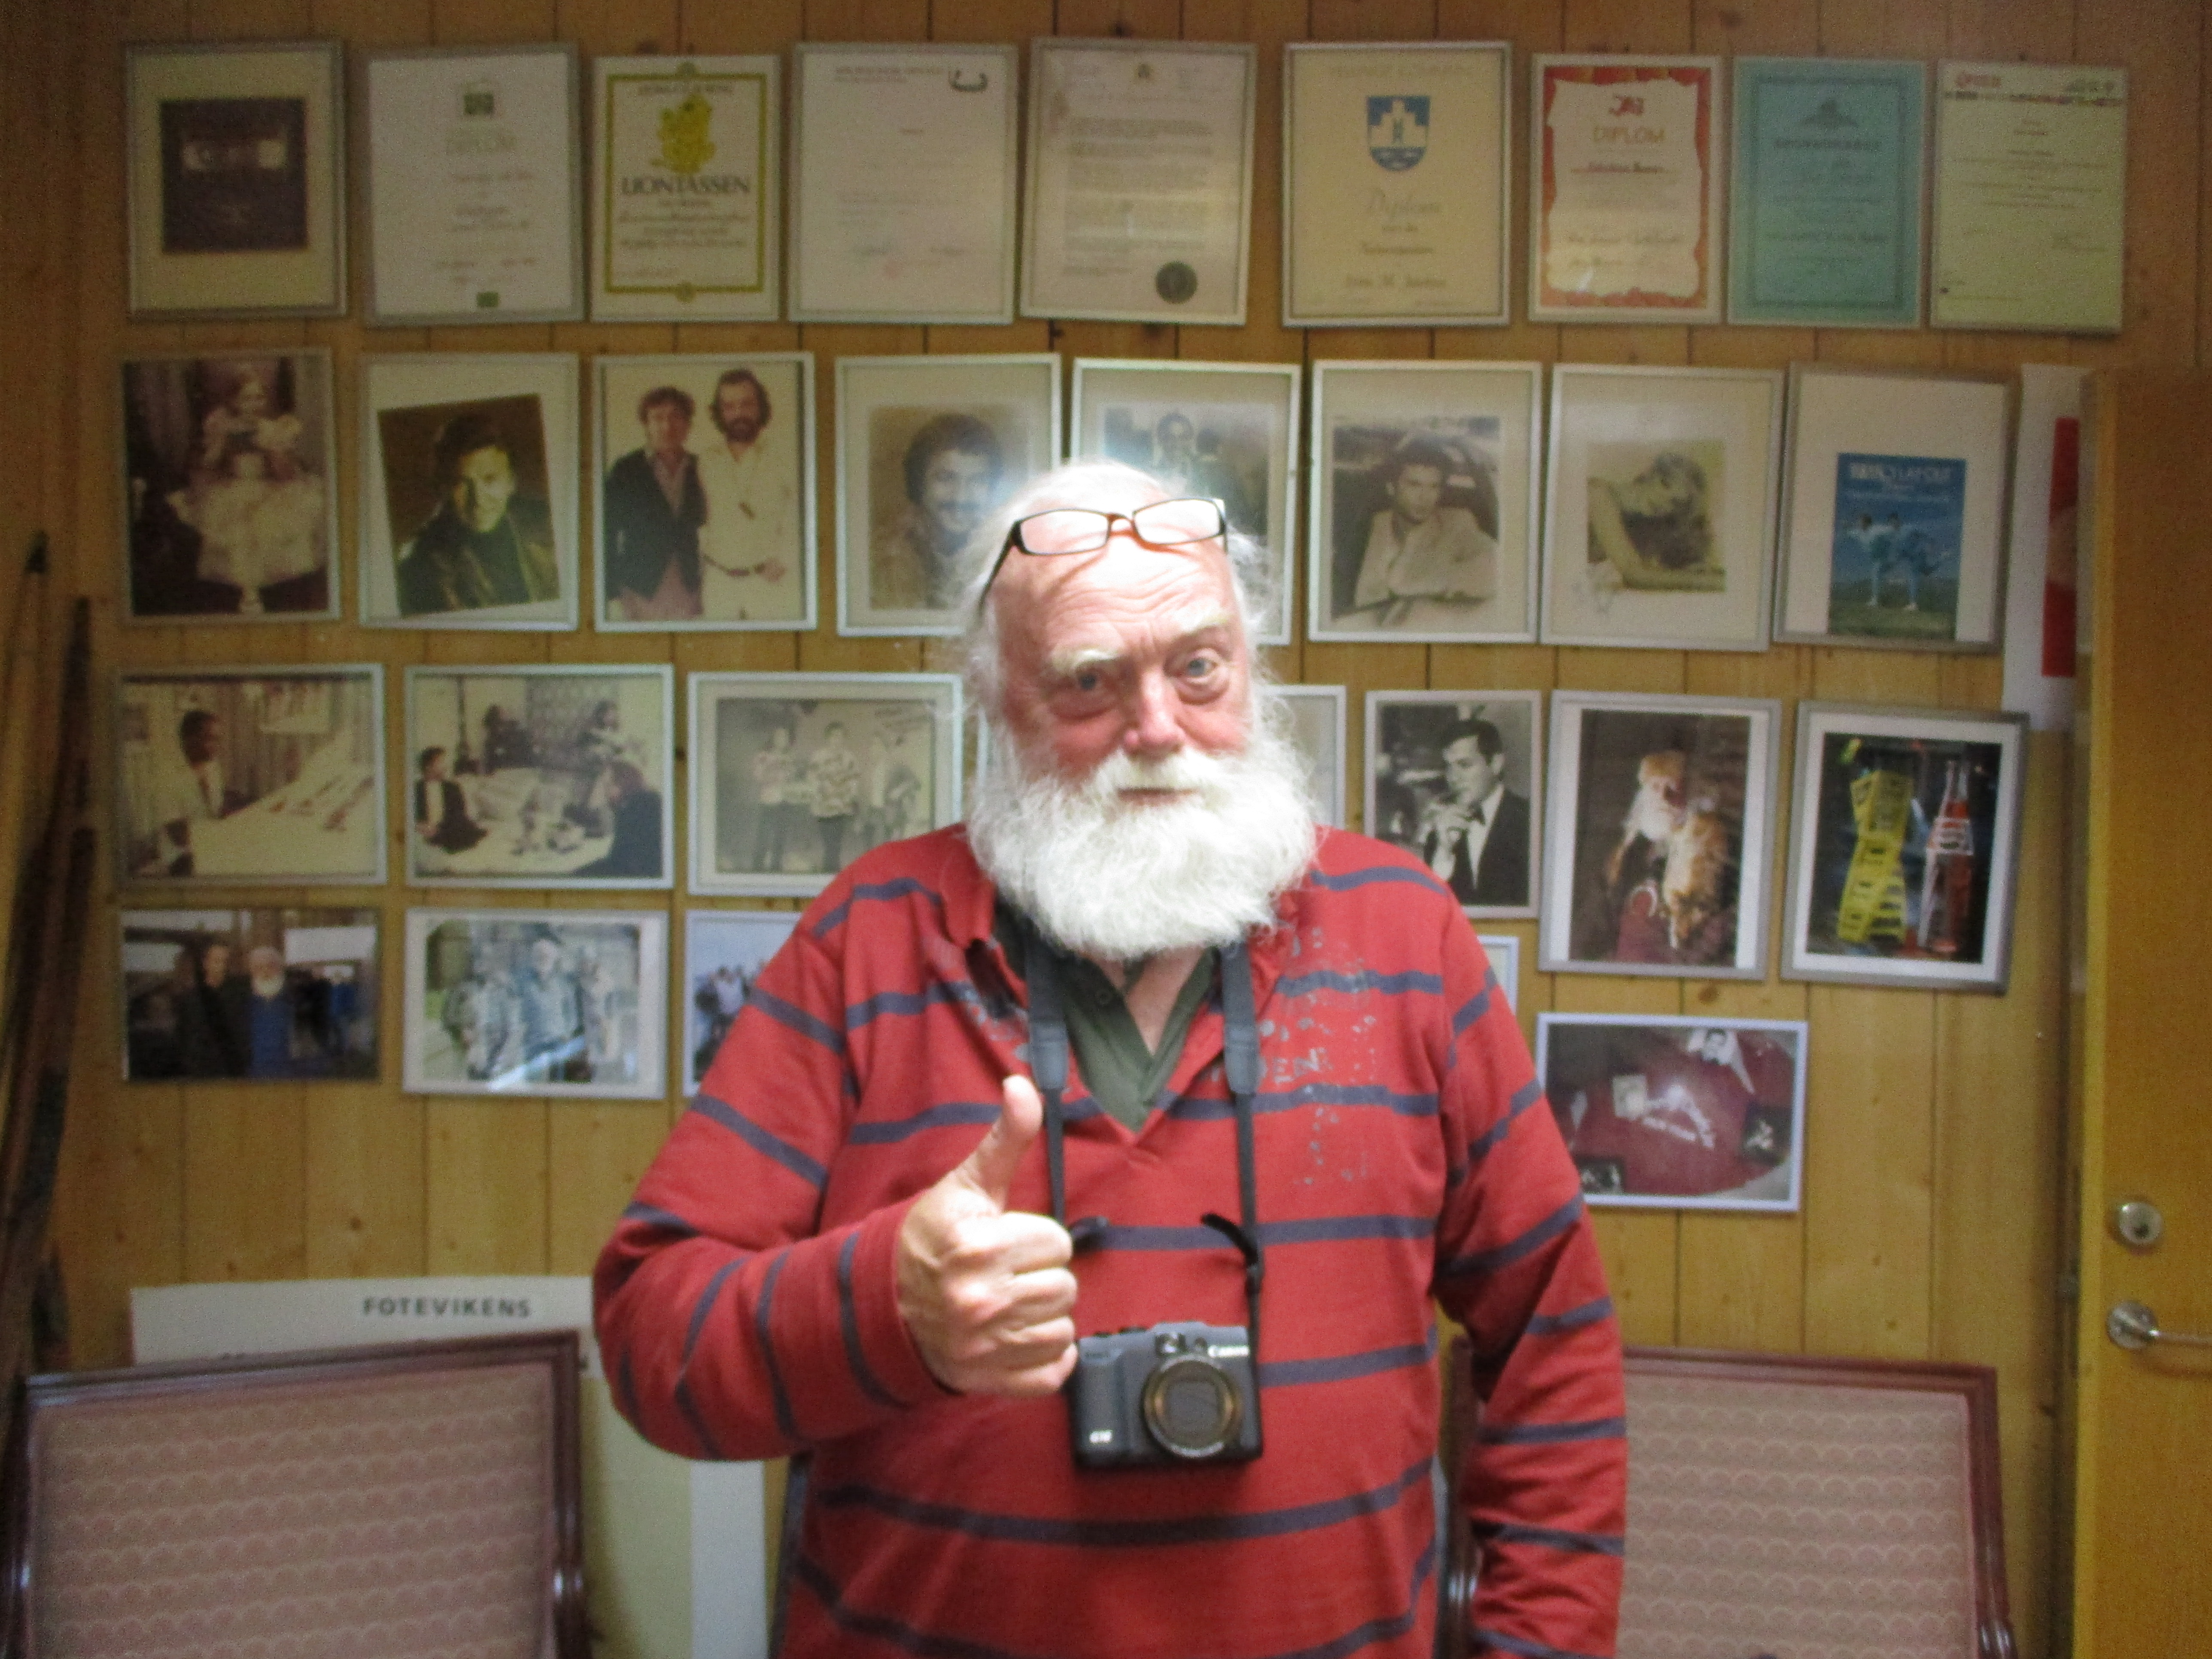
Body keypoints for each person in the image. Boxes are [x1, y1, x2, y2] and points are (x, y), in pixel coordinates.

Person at [595, 460, 1624, 1659]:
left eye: (1199, 667)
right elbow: (652, 1337)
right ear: (995, 703)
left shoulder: (1407, 932)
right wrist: (887, 1311)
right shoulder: (867, 936)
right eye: (1090, 681)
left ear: (1251, 668)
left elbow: (1553, 1340)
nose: (1157, 728)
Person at [169, 365, 327, 615]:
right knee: (239, 527)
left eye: (259, 397)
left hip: (269, 487)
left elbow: (285, 473)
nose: (254, 404)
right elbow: (210, 465)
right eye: (247, 398)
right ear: (234, 401)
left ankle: (264, 586)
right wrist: (220, 443)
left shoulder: (271, 428)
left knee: (267, 525)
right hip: (235, 486)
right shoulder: (224, 426)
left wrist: (274, 449)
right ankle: (248, 591)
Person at [395, 412, 560, 618]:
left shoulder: (550, 527)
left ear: (511, 482)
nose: (478, 499)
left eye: (490, 479)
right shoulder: (419, 565)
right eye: (462, 484)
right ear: (445, 489)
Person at [1350, 437, 1497, 624]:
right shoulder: (1377, 524)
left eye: (1434, 487)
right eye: (1414, 485)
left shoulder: (1457, 522)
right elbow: (1364, 597)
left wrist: (1419, 585)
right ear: (1392, 488)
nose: (1425, 497)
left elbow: (1496, 566)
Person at [870, 413, 1002, 611]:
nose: (961, 498)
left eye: (977, 481)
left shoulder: (1002, 555)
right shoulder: (884, 560)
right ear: (919, 483)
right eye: (946, 478)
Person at [694, 368, 796, 620]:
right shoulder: (706, 461)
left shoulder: (784, 456)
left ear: (761, 407)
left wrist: (786, 559)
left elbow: (804, 513)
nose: (739, 413)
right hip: (718, 585)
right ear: (719, 412)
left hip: (769, 585)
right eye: (729, 407)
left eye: (747, 404)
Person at [602, 385, 708, 622]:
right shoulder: (626, 470)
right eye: (658, 418)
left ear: (688, 424)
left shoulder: (701, 468)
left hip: (688, 589)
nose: (667, 427)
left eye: (676, 417)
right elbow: (606, 532)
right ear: (646, 425)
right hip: (639, 589)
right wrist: (611, 593)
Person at [1416, 718, 1530, 907]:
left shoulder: (1531, 821)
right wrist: (1444, 854)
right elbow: (1430, 908)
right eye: (1448, 767)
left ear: (1496, 764)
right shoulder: (1439, 834)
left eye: (1465, 765)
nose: (1453, 778)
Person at [1585, 451, 1722, 592]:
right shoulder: (1597, 493)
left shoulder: (1639, 526)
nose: (1663, 501)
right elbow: (1634, 575)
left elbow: (1654, 572)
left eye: (1675, 502)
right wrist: (1705, 581)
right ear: (1650, 474)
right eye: (1665, 484)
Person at [148, 709, 230, 877]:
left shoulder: (212, 767)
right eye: (210, 739)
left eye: (217, 739)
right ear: (189, 740)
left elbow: (217, 811)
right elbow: (179, 837)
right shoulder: (166, 777)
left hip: (210, 846)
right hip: (181, 857)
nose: (216, 746)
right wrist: (218, 837)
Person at [173, 937, 249, 1077]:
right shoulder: (191, 999)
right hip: (199, 1072)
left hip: (230, 1071)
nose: (222, 967)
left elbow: (242, 1035)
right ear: (206, 963)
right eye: (217, 961)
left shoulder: (238, 996)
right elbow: (183, 1037)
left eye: (225, 962)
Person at [517, 933, 586, 1082]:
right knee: (533, 1082)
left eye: (546, 956)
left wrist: (568, 1033)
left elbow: (571, 1011)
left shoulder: (563, 983)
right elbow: (518, 1012)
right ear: (533, 958)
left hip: (558, 1039)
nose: (543, 959)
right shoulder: (525, 983)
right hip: (533, 1041)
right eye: (539, 956)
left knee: (557, 1082)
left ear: (554, 958)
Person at [803, 720, 862, 872]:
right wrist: (820, 794)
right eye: (834, 736)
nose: (837, 740)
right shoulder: (818, 757)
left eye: (841, 737)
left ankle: (832, 874)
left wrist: (850, 798)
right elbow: (812, 780)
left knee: (836, 845)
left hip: (841, 808)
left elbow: (854, 781)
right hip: (823, 808)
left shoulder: (849, 758)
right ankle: (829, 873)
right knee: (828, 844)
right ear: (828, 738)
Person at [414, 746, 486, 857]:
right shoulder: (415, 790)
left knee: (463, 827)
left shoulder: (453, 788)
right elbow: (409, 815)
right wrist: (420, 825)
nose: (445, 767)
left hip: (449, 828)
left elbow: (459, 814)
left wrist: (439, 829)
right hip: (426, 830)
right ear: (428, 766)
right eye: (441, 762)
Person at [242, 944, 298, 1079]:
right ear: (251, 972)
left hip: (290, 1074)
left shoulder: (294, 1001)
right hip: (253, 1075)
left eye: (271, 966)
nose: (266, 972)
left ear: (280, 969)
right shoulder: (243, 1003)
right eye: (259, 968)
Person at [748, 726, 799, 873]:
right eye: (779, 736)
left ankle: (776, 868)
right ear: (773, 738)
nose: (782, 740)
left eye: (785, 737)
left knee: (780, 837)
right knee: (763, 837)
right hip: (768, 801)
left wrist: (789, 775)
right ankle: (757, 868)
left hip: (785, 801)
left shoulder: (790, 758)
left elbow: (793, 777)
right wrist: (774, 774)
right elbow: (758, 776)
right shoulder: (763, 756)